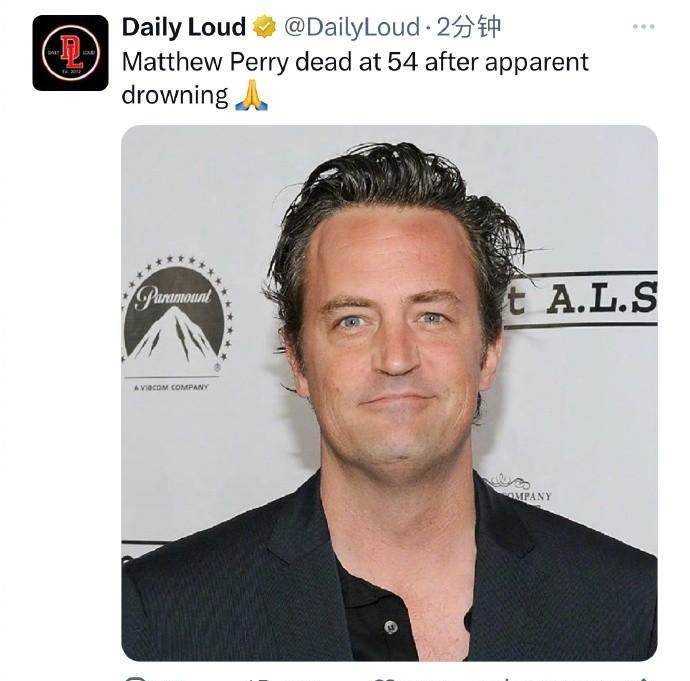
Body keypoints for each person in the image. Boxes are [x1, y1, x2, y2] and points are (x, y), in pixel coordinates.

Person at [122, 142, 656, 661]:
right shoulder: (158, 617)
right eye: (352, 321)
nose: (396, 358)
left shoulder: (636, 612)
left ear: (489, 352)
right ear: (298, 361)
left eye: (432, 317)